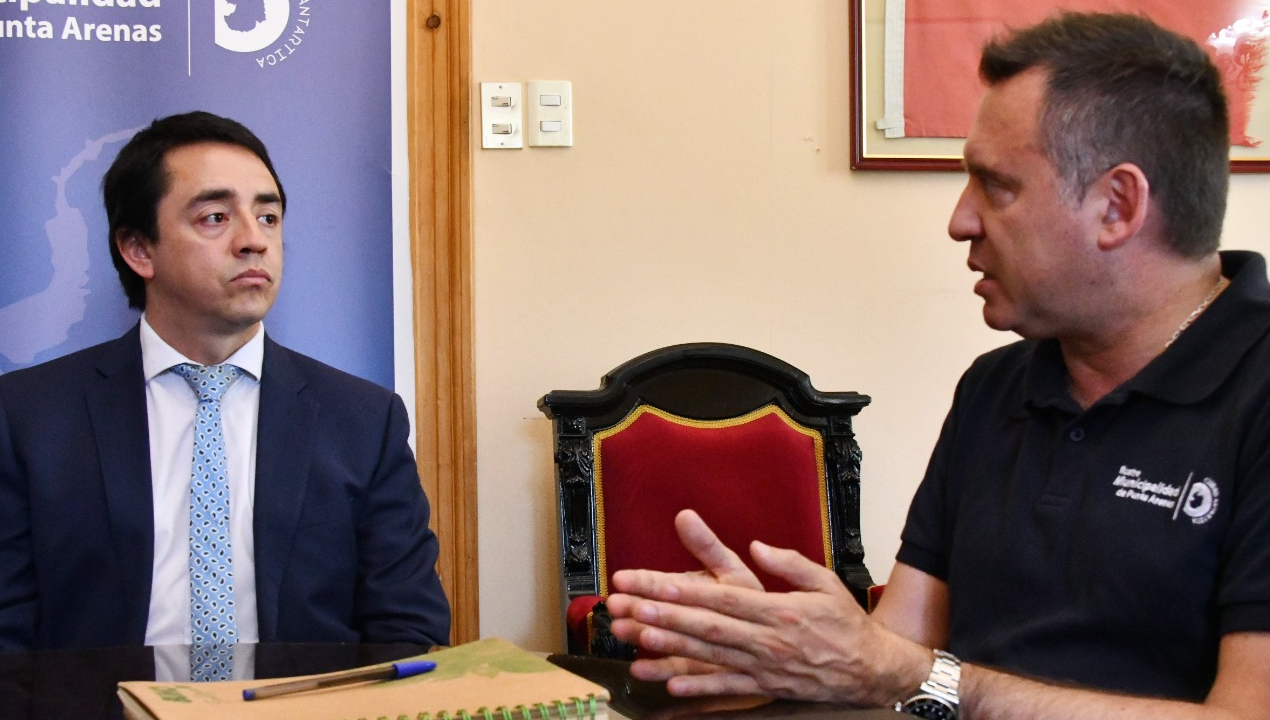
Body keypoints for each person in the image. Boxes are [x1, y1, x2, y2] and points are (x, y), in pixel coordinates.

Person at [606, 12, 1270, 719]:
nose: (960, 220)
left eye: (996, 186)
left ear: (1117, 206)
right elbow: (898, 650)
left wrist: (919, 678)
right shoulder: (994, 387)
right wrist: (778, 658)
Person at [0, 112, 451, 653]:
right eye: (215, 217)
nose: (254, 241)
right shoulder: (29, 417)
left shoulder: (363, 420)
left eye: (268, 217)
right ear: (139, 249)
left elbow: (408, 630)